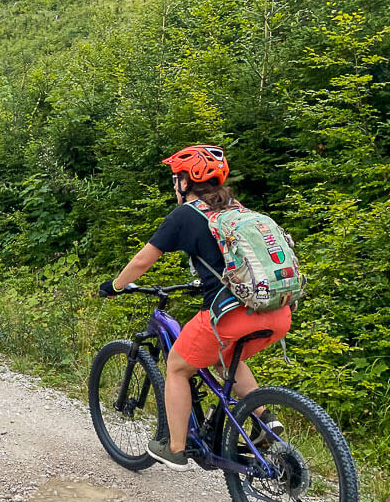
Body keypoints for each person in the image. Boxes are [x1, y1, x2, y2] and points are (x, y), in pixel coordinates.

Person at [99, 145, 290, 471]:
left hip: (232, 316)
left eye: (176, 179)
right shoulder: (237, 209)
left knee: (176, 366)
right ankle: (264, 419)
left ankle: (175, 448)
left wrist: (115, 286)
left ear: (186, 182)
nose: (174, 185)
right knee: (227, 357)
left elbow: (144, 260)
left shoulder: (186, 215)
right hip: (277, 311)